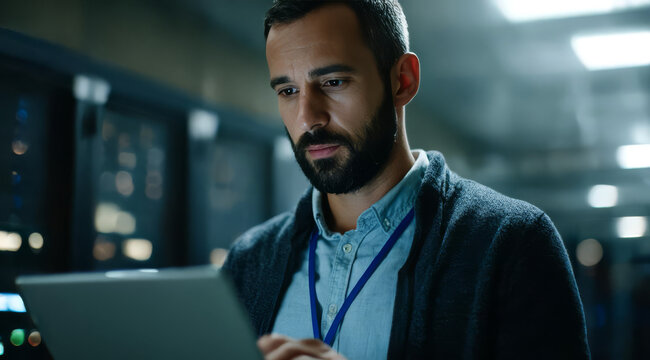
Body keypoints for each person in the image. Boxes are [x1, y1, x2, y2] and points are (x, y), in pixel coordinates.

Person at [223, 1, 591, 359]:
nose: (308, 118)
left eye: (333, 82)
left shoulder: (512, 244)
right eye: (288, 91)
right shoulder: (248, 262)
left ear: (403, 80)